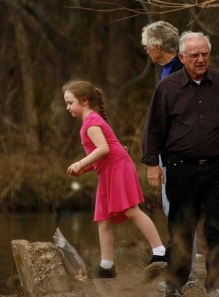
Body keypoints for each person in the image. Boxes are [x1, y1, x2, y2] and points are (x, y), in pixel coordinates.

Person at [142, 31, 219, 297]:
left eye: (204, 54)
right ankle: (174, 286)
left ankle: (218, 288)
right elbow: (154, 129)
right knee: (181, 230)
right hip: (181, 169)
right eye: (194, 55)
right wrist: (151, 165)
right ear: (181, 57)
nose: (200, 59)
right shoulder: (167, 88)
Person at [63, 80, 167, 278]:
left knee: (131, 210)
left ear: (84, 101)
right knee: (103, 218)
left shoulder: (92, 122)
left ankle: (160, 252)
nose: (67, 107)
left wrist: (79, 163)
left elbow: (104, 149)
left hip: (119, 168)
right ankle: (107, 266)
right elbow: (102, 155)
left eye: (70, 102)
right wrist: (83, 170)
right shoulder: (89, 122)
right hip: (108, 170)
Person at [141, 20, 199, 286]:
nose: (146, 52)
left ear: (156, 46)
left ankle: (183, 274)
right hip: (173, 156)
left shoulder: (177, 71)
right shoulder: (169, 71)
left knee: (178, 212)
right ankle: (187, 269)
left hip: (178, 157)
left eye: (146, 47)